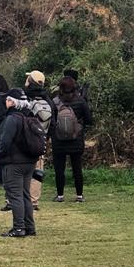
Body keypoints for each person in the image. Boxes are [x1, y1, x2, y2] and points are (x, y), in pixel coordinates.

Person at [0, 88, 37, 237]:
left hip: (14, 163)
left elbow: (5, 142)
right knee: (25, 194)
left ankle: (19, 228)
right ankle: (29, 226)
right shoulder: (29, 116)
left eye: (7, 100)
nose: (5, 102)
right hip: (29, 162)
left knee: (15, 195)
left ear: (12, 102)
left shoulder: (12, 119)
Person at [51, 75, 93, 203]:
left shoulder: (55, 101)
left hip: (58, 141)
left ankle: (60, 195)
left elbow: (51, 121)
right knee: (77, 168)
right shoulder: (81, 101)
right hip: (76, 140)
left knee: (59, 169)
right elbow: (89, 120)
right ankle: (79, 195)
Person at [23, 70, 55, 210]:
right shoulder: (48, 100)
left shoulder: (25, 98)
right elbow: (53, 122)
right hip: (40, 140)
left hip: (25, 140)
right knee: (37, 170)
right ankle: (33, 201)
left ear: (30, 81)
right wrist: (46, 137)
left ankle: (20, 199)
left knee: (21, 170)